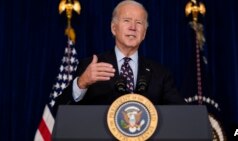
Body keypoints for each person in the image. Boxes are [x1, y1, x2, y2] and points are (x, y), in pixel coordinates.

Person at [55, 0, 186, 108]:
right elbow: (59, 110)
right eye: (127, 20)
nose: (133, 27)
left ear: (144, 33)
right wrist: (81, 83)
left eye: (139, 22)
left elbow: (182, 113)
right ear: (114, 28)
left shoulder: (160, 73)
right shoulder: (91, 66)